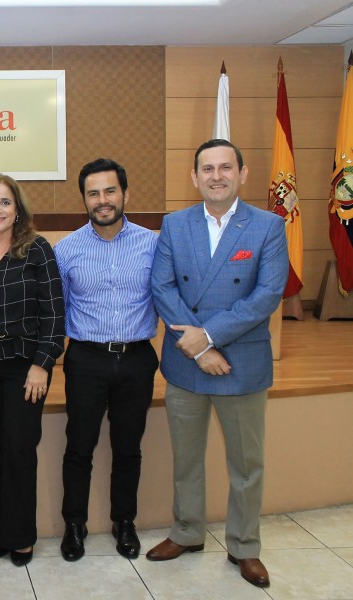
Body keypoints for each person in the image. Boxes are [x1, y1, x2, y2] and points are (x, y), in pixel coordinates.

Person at [147, 139, 288, 589]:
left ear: (242, 174)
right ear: (194, 177)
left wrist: (208, 337)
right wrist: (198, 349)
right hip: (186, 362)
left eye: (226, 167)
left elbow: (267, 295)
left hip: (241, 362)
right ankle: (187, 531)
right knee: (187, 458)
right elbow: (163, 288)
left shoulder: (268, 226)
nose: (216, 176)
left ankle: (244, 546)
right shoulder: (175, 224)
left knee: (247, 463)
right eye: (207, 169)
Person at [54, 159, 159, 562]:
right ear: (84, 199)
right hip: (86, 360)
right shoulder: (66, 250)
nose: (102, 200)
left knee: (128, 447)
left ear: (125, 194)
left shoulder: (152, 244)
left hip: (136, 360)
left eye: (110, 191)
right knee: (79, 446)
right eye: (93, 193)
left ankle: (124, 522)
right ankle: (74, 524)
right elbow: (58, 311)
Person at [0, 174, 65, 566]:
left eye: (5, 202)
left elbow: (54, 313)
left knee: (19, 447)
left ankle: (20, 537)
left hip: (26, 364)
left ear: (17, 209)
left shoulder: (37, 249)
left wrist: (43, 364)